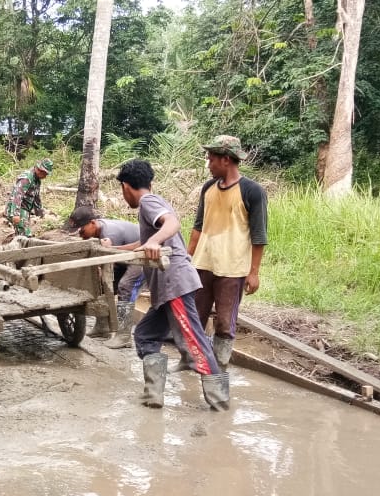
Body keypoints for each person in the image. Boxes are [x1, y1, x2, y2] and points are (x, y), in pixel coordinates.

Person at [113, 159, 227, 410]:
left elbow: (173, 224)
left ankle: (220, 401)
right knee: (145, 335)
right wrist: (115, 250)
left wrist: (154, 242)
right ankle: (153, 395)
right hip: (166, 290)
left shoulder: (148, 202)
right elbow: (143, 243)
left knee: (193, 342)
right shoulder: (154, 203)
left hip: (174, 284)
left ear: (125, 187)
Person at [187, 135, 268, 403]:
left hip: (232, 269)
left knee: (224, 324)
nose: (208, 163)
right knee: (195, 319)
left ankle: (218, 372)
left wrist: (254, 272)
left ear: (225, 160)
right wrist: (187, 257)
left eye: (211, 159)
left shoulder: (252, 191)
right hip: (203, 264)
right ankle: (198, 367)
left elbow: (259, 235)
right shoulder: (208, 188)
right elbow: (198, 226)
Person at [67, 206, 144, 347]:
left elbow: (108, 265)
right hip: (125, 258)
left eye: (82, 231)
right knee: (100, 284)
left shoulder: (110, 234)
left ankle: (124, 336)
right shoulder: (98, 230)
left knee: (125, 286)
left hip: (142, 257)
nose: (81, 236)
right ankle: (102, 326)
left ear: (92, 223)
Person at [5, 158, 53, 236]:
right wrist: (15, 214)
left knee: (21, 234)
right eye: (45, 174)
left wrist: (40, 212)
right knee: (25, 234)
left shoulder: (37, 180)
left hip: (25, 209)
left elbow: (36, 197)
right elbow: (18, 194)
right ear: (40, 170)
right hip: (17, 209)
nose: (45, 176)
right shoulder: (27, 178)